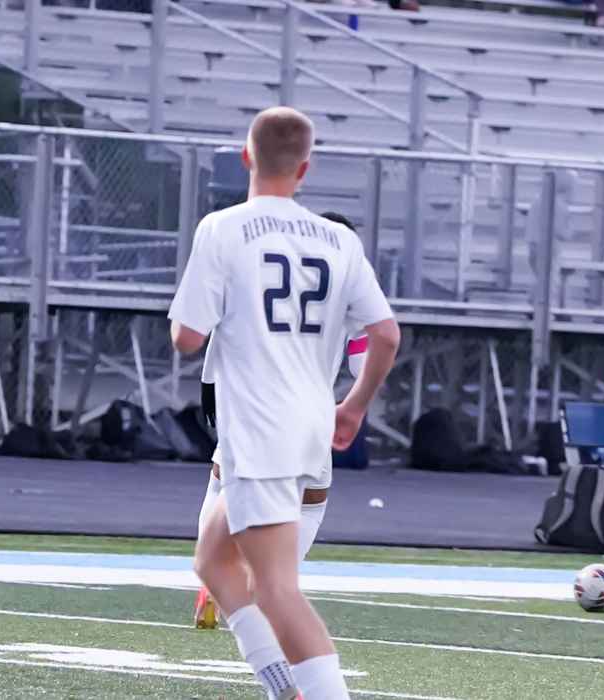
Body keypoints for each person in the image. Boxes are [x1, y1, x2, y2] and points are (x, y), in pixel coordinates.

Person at [169, 106, 400, 700]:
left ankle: (316, 693)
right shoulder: (340, 239)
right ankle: (284, 689)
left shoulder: (223, 228)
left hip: (258, 426)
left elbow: (187, 338)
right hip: (310, 424)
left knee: (274, 588)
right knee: (212, 562)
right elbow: (386, 334)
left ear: (247, 157)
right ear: (305, 168)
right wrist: (354, 406)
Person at [193, 211, 370, 629]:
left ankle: (211, 581)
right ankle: (270, 587)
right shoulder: (352, 293)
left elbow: (221, 328)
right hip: (310, 417)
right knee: (310, 503)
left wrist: (208, 383)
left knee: (223, 481)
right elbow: (361, 364)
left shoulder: (267, 271)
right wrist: (354, 405)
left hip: (252, 407)